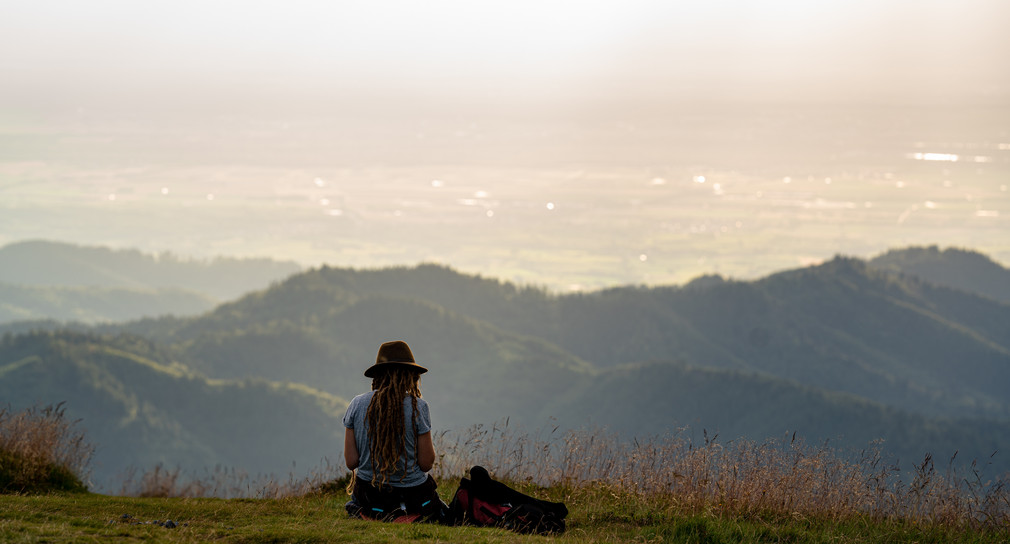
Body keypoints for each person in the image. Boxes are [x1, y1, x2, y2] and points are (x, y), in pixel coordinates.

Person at [343, 340, 444, 521]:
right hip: (412, 496)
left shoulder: (357, 404)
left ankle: (371, 514)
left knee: (361, 503)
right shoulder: (418, 407)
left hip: (369, 495)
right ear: (409, 375)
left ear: (377, 375)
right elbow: (426, 463)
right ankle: (407, 516)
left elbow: (351, 462)